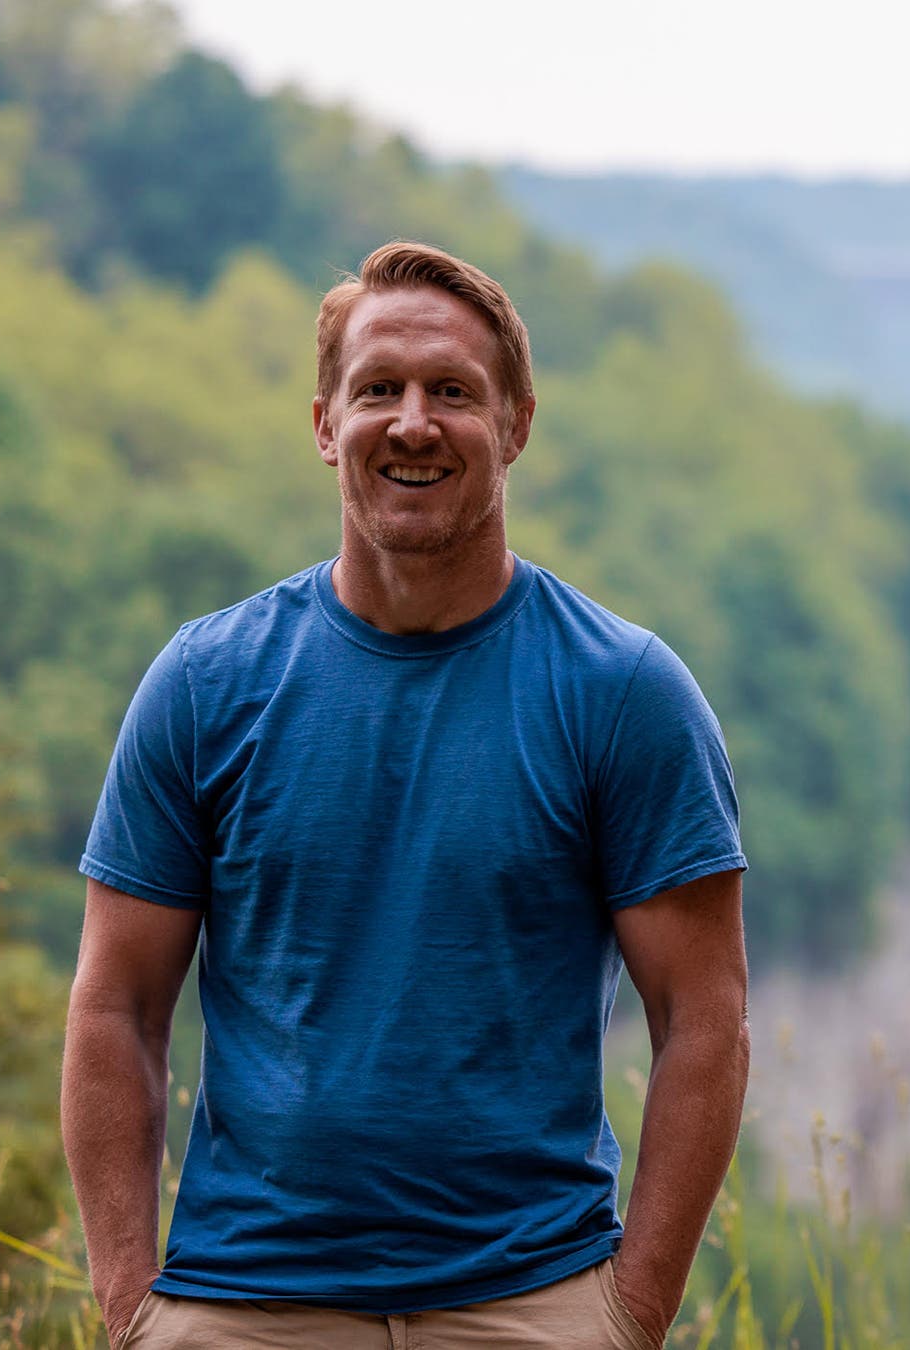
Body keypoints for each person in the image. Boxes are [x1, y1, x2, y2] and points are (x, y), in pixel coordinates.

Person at [60, 240, 749, 1349]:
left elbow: (705, 1017)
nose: (413, 422)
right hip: (241, 1302)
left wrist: (631, 1313)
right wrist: (134, 1310)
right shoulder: (205, 684)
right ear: (326, 423)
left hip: (531, 1298)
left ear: (518, 423)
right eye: (378, 388)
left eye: (454, 393)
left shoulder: (624, 693)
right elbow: (114, 1008)